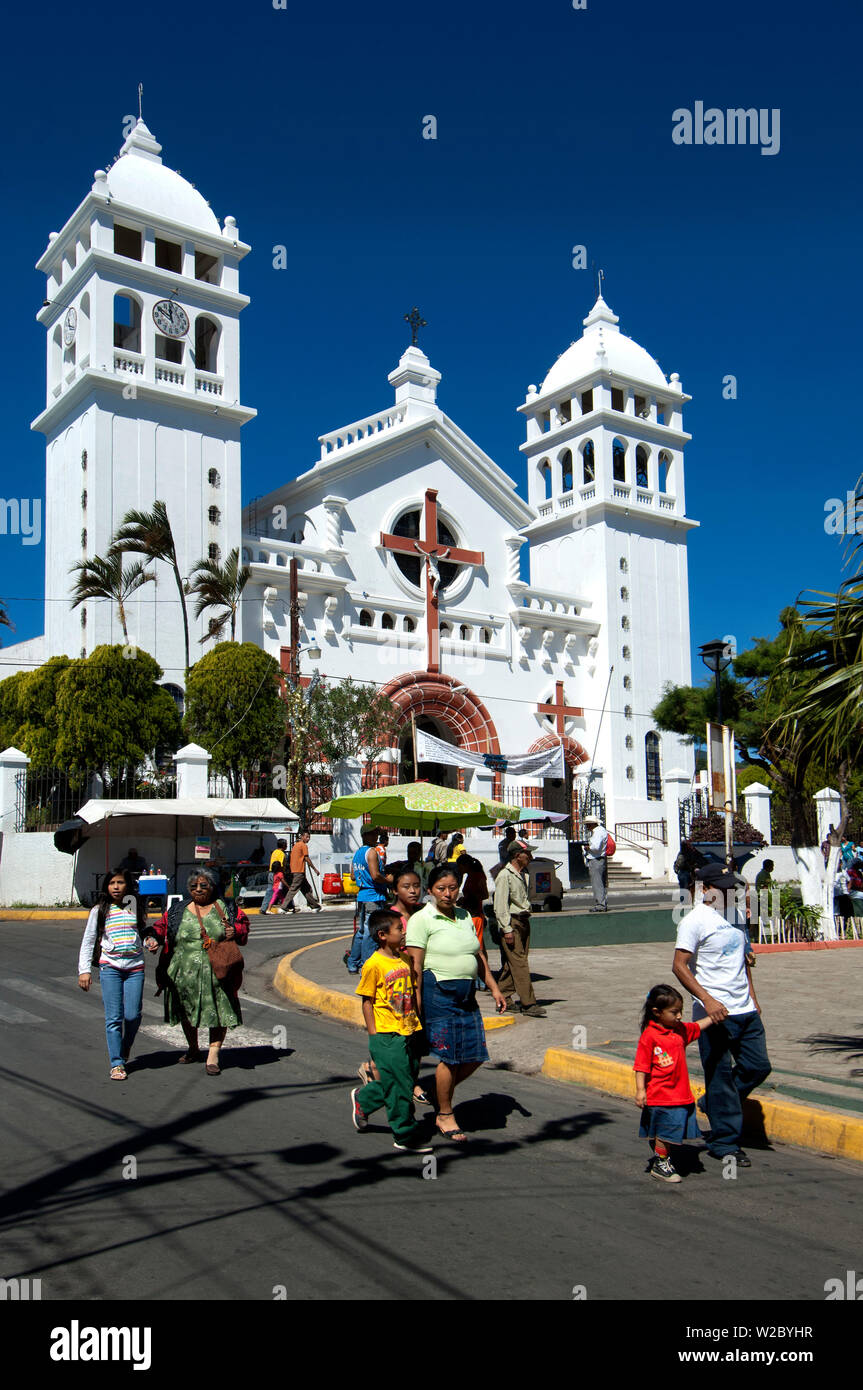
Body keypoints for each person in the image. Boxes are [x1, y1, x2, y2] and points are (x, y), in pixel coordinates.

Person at [672, 861, 771, 1166]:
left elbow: (743, 960)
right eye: (724, 889)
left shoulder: (736, 916)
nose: (730, 894)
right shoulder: (694, 921)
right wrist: (707, 1000)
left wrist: (754, 999)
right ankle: (725, 1144)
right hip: (713, 1014)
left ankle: (713, 1104)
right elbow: (679, 966)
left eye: (733, 889)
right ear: (706, 889)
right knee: (720, 1076)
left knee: (758, 1067)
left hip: (745, 1010)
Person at [405, 864, 506, 1141]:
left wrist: (494, 988)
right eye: (441, 889)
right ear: (430, 891)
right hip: (438, 994)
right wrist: (417, 1006)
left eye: (452, 888)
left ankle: (441, 1092)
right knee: (450, 1057)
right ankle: (445, 1113)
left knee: (474, 1055)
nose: (448, 894)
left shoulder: (464, 916)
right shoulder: (421, 919)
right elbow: (416, 965)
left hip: (467, 996)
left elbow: (479, 956)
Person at [153, 865, 250, 1075]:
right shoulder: (178, 910)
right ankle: (193, 1048)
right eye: (193, 886)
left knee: (219, 1013)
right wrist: (152, 938)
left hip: (217, 974)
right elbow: (160, 928)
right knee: (186, 1012)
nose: (198, 889)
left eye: (203, 885)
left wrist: (236, 930)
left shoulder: (226, 907)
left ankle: (213, 1055)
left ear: (212, 886)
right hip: (183, 975)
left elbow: (243, 928)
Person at [350, 909, 433, 1154]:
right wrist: (374, 1035)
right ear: (383, 935)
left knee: (404, 1081)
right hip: (386, 1034)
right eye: (399, 928)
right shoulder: (374, 964)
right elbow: (367, 1001)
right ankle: (404, 1134)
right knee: (398, 1086)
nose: (404, 932)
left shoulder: (404, 960)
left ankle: (364, 1101)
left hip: (410, 1029)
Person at [356, 863, 432, 1108]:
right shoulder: (388, 918)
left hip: (418, 981)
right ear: (395, 889)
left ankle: (408, 1080)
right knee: (393, 1046)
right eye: (406, 886)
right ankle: (378, 1077)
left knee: (415, 1040)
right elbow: (375, 957)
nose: (412, 891)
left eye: (416, 886)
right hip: (394, 988)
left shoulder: (424, 912)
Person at [77, 868, 159, 1080]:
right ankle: (117, 1063)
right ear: (106, 886)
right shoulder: (100, 910)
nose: (115, 886)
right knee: (114, 1018)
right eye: (112, 882)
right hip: (109, 967)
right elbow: (88, 940)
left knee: (133, 1015)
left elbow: (139, 933)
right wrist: (84, 970)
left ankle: (124, 1048)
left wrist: (149, 941)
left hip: (134, 967)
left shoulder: (135, 905)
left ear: (127, 885)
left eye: (120, 882)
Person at [634, 984, 715, 1183]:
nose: (679, 1016)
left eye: (681, 1011)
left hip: (680, 1094)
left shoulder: (679, 1031)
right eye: (674, 1012)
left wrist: (713, 1017)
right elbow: (641, 1066)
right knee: (666, 1129)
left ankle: (662, 1154)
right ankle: (661, 1164)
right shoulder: (650, 1037)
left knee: (669, 1129)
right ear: (656, 1012)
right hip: (660, 1095)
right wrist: (640, 1090)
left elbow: (696, 1027)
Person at [493, 842, 546, 1016]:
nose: (530, 857)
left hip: (523, 921)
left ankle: (504, 997)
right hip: (512, 923)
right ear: (517, 856)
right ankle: (528, 1003)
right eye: (527, 854)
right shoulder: (504, 876)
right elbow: (500, 906)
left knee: (512, 963)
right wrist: (506, 929)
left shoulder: (523, 874)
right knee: (520, 963)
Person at [345, 827, 392, 973]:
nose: (377, 836)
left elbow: (353, 876)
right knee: (371, 933)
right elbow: (375, 875)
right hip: (373, 896)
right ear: (366, 835)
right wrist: (388, 879)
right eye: (374, 834)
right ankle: (367, 966)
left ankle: (353, 962)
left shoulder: (358, 852)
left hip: (362, 896)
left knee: (361, 931)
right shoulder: (372, 852)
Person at [280, 830, 322, 912]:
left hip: (296, 870)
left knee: (307, 889)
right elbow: (306, 858)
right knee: (294, 889)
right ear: (302, 837)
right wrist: (315, 869)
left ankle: (315, 906)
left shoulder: (296, 845)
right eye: (306, 837)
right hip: (299, 871)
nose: (308, 839)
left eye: (309, 837)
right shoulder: (303, 846)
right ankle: (283, 906)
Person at [457, 855, 489, 946]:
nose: (458, 868)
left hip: (476, 914)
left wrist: (468, 899)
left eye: (459, 866)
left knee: (478, 947)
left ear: (465, 865)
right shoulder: (469, 876)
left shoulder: (478, 876)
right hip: (470, 913)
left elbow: (485, 894)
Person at [584, 814, 609, 912]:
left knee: (597, 883)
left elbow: (596, 847)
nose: (587, 827)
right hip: (599, 858)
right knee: (600, 883)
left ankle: (600, 904)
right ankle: (602, 903)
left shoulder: (597, 832)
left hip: (596, 859)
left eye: (587, 824)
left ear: (592, 824)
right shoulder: (601, 831)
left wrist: (587, 847)